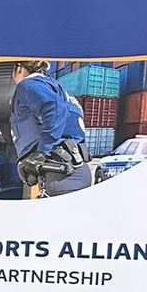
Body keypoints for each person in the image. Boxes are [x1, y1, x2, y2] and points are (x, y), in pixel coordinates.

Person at [10, 60, 92, 198]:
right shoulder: (61, 90)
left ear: (19, 68)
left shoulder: (28, 85)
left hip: (59, 175)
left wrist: (41, 152)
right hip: (75, 170)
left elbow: (54, 109)